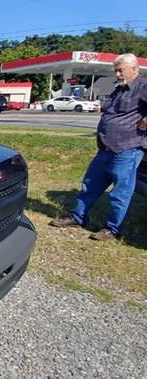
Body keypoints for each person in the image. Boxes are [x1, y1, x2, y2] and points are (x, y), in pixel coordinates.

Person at [50, 53, 147, 241]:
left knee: (120, 193)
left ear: (134, 69)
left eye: (121, 70)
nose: (117, 74)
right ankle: (77, 217)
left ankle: (112, 229)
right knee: (89, 185)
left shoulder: (143, 86)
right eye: (116, 70)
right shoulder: (118, 89)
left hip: (127, 149)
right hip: (105, 148)